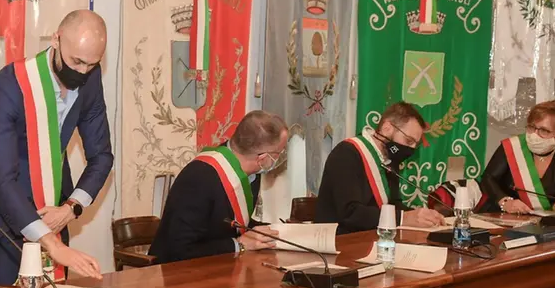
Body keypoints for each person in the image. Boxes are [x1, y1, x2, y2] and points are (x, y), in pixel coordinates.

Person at [0, 10, 111, 284]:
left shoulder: (90, 78)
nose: (82, 72)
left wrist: (70, 208)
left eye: (91, 64)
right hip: (1, 212)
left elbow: (102, 156)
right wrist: (53, 245)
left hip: (54, 209)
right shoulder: (8, 85)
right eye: (76, 61)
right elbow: (2, 180)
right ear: (56, 40)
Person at [149, 110, 287, 264]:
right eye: (279, 153)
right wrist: (238, 244)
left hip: (220, 268)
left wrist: (277, 232)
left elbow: (231, 226)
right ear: (263, 158)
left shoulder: (252, 174)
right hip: (174, 274)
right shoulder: (199, 178)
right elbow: (179, 249)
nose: (279, 158)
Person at [315, 101, 446, 234]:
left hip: (371, 238)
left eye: (415, 145)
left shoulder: (390, 160)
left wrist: (423, 216)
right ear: (387, 128)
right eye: (408, 141)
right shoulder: (346, 153)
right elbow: (350, 213)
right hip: (341, 241)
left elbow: (393, 204)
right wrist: (403, 218)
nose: (411, 149)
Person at [481, 100, 555, 214]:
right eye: (532, 127)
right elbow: (488, 179)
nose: (534, 135)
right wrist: (505, 202)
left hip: (537, 223)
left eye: (544, 130)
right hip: (499, 216)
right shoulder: (512, 147)